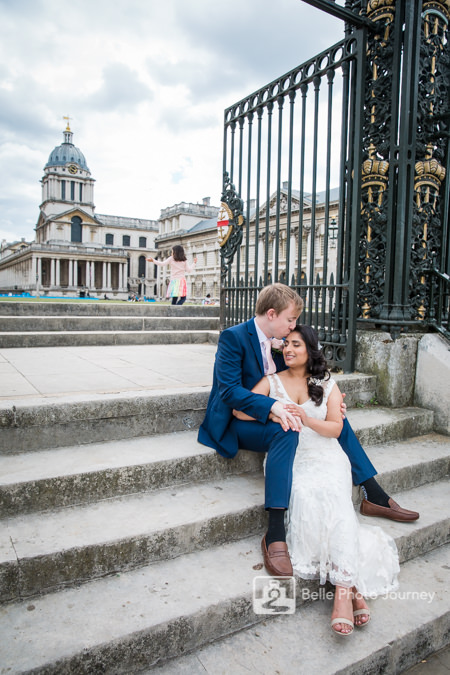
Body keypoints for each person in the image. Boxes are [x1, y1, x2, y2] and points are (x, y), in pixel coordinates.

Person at [198, 283, 418, 579]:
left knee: (331, 416)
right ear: (272, 314)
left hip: (273, 413)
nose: (293, 328)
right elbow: (229, 392)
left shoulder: (281, 341)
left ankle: (372, 492)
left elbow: (301, 378)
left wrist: (331, 401)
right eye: (290, 320)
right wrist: (271, 408)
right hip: (237, 422)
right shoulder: (233, 338)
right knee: (288, 428)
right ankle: (275, 532)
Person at [233, 324, 399, 635]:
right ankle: (352, 588)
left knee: (333, 498)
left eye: (296, 344)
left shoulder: (325, 382)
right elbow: (241, 413)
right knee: (307, 496)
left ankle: (342, 594)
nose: (288, 350)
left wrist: (307, 419)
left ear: (311, 350)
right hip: (292, 459)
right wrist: (273, 412)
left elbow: (336, 429)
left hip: (327, 456)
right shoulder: (271, 382)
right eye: (286, 344)